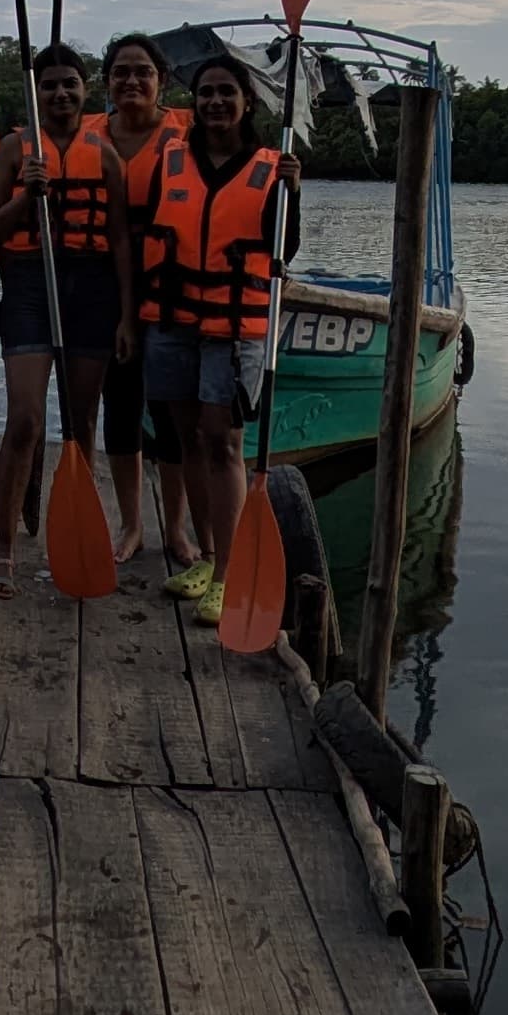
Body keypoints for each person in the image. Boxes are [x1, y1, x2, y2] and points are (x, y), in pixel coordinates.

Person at [135, 51, 280, 624]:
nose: (215, 101)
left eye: (227, 92)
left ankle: (229, 574)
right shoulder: (171, 161)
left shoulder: (273, 169)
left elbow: (282, 252)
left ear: (246, 103)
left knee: (222, 441)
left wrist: (289, 194)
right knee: (186, 437)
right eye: (206, 93)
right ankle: (206, 556)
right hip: (172, 319)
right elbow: (149, 232)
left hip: (233, 326)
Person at [0, 44, 121, 596]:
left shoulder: (104, 155)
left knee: (82, 426)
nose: (61, 93)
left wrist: (126, 313)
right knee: (26, 420)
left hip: (90, 289)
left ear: (86, 92)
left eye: (71, 85)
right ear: (37, 94)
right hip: (30, 284)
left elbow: (123, 241)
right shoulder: (15, 149)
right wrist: (25, 196)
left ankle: (79, 530)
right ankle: (5, 546)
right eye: (51, 85)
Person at [87, 33, 190, 570]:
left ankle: (176, 529)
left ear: (161, 81)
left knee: (170, 414)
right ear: (107, 81)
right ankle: (130, 525)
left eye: (142, 72)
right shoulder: (86, 136)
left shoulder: (189, 135)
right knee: (121, 408)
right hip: (104, 288)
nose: (131, 81)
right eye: (121, 72)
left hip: (170, 288)